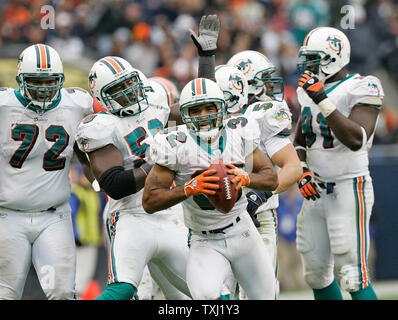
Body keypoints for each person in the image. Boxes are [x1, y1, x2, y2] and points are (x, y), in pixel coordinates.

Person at [142, 77, 278, 300]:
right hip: (204, 239)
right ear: (185, 114)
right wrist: (189, 187)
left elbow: (271, 178)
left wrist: (246, 179)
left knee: (266, 296)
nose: (204, 115)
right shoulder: (176, 144)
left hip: (242, 230)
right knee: (205, 296)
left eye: (209, 108)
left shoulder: (239, 132)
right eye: (196, 110)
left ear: (221, 109)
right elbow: (150, 201)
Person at [76, 56, 191, 300]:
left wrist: (205, 60)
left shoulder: (157, 98)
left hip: (170, 214)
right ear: (101, 97)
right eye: (117, 89)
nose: (127, 91)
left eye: (128, 83)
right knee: (128, 290)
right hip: (131, 215)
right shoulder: (101, 126)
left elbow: (197, 110)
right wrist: (163, 161)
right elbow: (115, 185)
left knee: (206, 290)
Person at [293, 26, 383, 300]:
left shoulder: (363, 85)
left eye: (313, 59)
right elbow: (300, 141)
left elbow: (357, 138)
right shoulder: (308, 92)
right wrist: (302, 171)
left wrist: (322, 98)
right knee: (315, 273)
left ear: (334, 56)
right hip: (315, 190)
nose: (307, 66)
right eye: (305, 59)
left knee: (353, 274)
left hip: (348, 188)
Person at [0, 44, 94, 299]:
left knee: (63, 292)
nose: (43, 88)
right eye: (36, 81)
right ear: (21, 80)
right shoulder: (4, 105)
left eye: (50, 81)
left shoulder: (77, 103)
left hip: (55, 216)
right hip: (7, 216)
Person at [224, 51, 303, 297]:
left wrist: (259, 195)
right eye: (263, 78)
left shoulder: (267, 112)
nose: (270, 84)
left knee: (262, 294)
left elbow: (293, 167)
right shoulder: (212, 112)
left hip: (259, 214)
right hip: (215, 216)